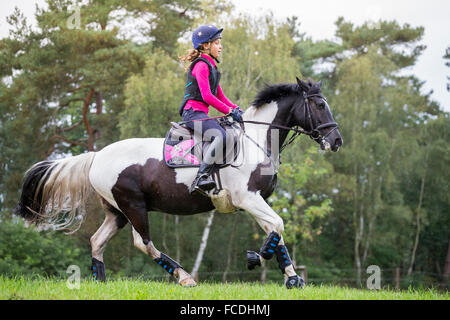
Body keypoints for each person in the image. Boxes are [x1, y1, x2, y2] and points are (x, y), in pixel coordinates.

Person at [179, 24, 243, 195]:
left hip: (200, 113)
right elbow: (207, 97)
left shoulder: (211, 66)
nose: (220, 46)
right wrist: (229, 112)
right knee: (220, 135)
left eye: (220, 43)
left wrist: (236, 109)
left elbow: (220, 96)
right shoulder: (201, 66)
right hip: (191, 113)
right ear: (205, 46)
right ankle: (201, 176)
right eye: (217, 43)